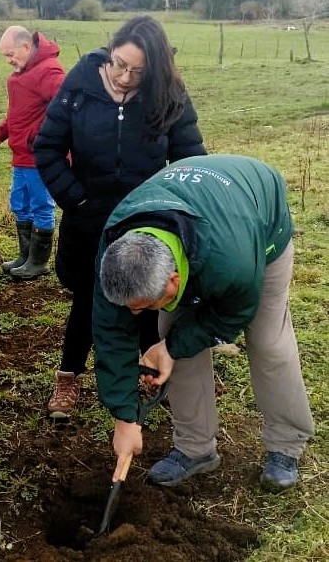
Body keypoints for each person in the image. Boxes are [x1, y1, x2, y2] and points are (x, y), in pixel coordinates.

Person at [95, 154, 315, 492]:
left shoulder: (233, 263)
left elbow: (233, 314)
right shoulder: (116, 251)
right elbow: (111, 332)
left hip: (257, 223)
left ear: (172, 280)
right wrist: (124, 417)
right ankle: (195, 448)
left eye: (145, 306)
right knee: (171, 332)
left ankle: (286, 444)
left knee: (267, 340)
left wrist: (175, 345)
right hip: (198, 221)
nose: (135, 315)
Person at [34, 15, 206, 419]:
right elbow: (47, 147)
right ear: (109, 54)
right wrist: (75, 199)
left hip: (147, 222)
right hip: (88, 220)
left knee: (147, 299)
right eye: (119, 65)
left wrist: (166, 208)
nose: (126, 77)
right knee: (88, 300)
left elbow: (190, 161)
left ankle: (148, 371)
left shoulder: (169, 94)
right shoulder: (79, 86)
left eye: (138, 71)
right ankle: (69, 376)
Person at [0, 26, 64, 279]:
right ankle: (25, 256)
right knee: (19, 204)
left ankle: (39, 262)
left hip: (37, 157)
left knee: (40, 205)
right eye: (5, 56)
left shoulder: (48, 70)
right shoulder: (20, 76)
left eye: (11, 54)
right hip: (20, 155)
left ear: (25, 46)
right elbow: (16, 114)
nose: (9, 60)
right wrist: (0, 134)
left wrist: (40, 135)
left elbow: (64, 105)